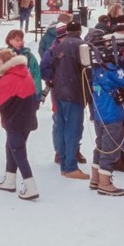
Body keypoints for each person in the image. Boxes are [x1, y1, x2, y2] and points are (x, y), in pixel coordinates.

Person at [0, 49, 40, 200]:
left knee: (18, 151)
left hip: (15, 120)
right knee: (11, 147)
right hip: (27, 119)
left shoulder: (9, 79)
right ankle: (10, 180)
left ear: (5, 63)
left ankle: (30, 186)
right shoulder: (24, 73)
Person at [87, 43, 124, 196]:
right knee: (111, 149)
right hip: (112, 114)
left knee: (101, 145)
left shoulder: (96, 69)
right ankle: (105, 182)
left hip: (99, 113)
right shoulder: (110, 71)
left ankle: (95, 178)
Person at [50, 21, 90, 179]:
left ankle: (64, 162)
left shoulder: (59, 46)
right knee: (72, 129)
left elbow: (52, 67)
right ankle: (71, 166)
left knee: (61, 127)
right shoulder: (82, 46)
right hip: (73, 92)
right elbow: (87, 70)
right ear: (79, 31)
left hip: (59, 91)